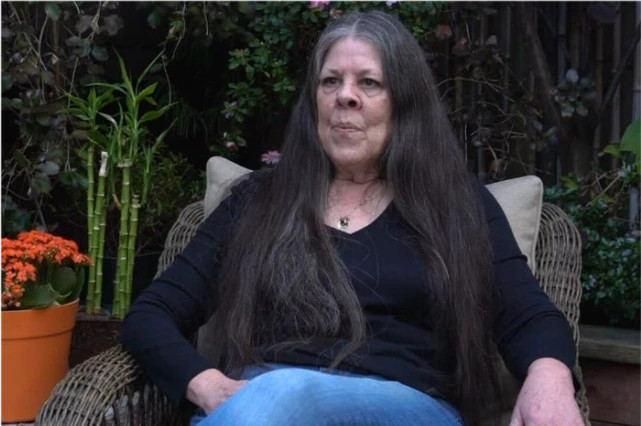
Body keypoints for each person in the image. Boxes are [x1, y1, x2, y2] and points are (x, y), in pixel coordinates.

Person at [121, 10, 583, 426]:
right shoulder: (258, 201)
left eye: (369, 83)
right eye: (330, 82)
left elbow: (529, 317)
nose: (345, 96)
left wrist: (550, 374)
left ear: (404, 103)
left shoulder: (457, 206)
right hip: (261, 407)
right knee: (277, 396)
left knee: (285, 393)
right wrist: (208, 386)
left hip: (404, 406)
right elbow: (152, 313)